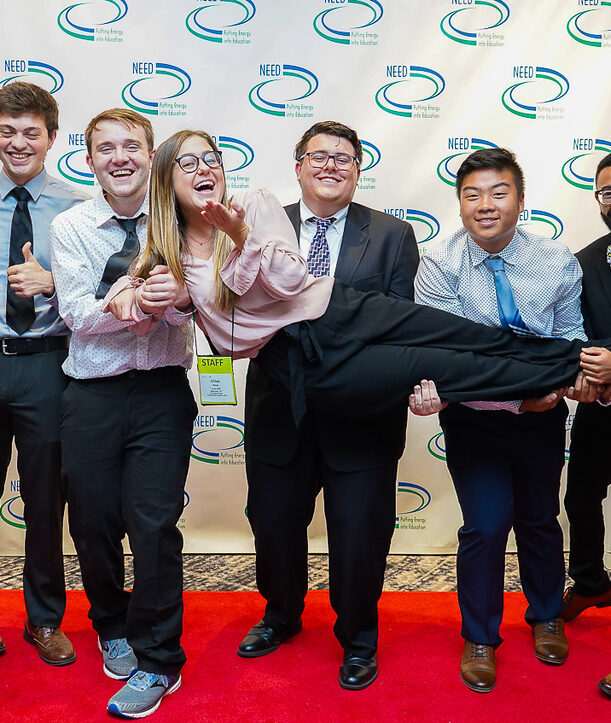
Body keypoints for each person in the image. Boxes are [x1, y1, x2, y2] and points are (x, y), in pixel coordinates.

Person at [107, 131, 600, 419]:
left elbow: (287, 281)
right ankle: (571, 374)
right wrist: (133, 297)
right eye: (188, 161)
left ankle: (586, 362)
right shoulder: (163, 253)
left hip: (338, 307)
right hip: (304, 358)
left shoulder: (253, 204)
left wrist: (240, 236)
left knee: (466, 335)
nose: (203, 167)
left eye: (210, 157)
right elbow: (137, 305)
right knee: (452, 367)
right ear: (167, 178)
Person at [237, 121, 419, 690]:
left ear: (358, 170)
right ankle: (281, 616)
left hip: (361, 416)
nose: (331, 166)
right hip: (278, 410)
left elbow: (394, 324)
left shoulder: (392, 235)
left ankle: (360, 637)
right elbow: (239, 307)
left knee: (360, 534)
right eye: (318, 156)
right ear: (297, 167)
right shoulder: (260, 228)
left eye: (344, 158)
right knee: (274, 525)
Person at [410, 147, 599, 693]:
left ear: (520, 199)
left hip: (543, 417)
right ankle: (480, 637)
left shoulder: (556, 261)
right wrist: (522, 392)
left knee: (540, 520)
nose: (484, 205)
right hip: (474, 424)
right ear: (460, 204)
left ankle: (545, 616)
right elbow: (453, 359)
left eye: (498, 192)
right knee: (486, 526)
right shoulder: (441, 265)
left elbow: (567, 344)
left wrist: (552, 384)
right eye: (472, 195)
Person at [49, 108, 195, 719]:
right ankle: (111, 623)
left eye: (132, 146)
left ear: (151, 153)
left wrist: (182, 297)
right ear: (90, 161)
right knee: (94, 523)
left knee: (155, 525)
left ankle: (161, 659)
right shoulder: (71, 225)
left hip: (162, 392)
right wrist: (135, 297)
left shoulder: (185, 224)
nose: (120, 158)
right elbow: (77, 313)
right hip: (93, 395)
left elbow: (208, 313)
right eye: (105, 148)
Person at [0, 82, 87, 665]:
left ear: (52, 138)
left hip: (49, 364)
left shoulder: (78, 205)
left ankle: (45, 618)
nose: (19, 142)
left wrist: (54, 283)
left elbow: (96, 288)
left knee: (47, 497)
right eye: (8, 130)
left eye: (32, 132)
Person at [558, 154, 611, 696]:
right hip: (600, 412)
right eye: (606, 192)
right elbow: (574, 334)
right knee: (580, 501)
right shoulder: (584, 261)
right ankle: (592, 584)